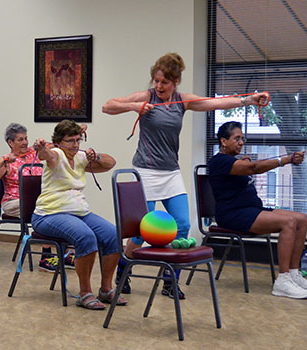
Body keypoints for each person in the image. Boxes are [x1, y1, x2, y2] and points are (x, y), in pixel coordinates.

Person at [102, 52, 269, 299]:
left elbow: (216, 103)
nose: (159, 87)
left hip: (170, 173)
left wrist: (249, 99)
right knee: (139, 231)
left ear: (175, 83)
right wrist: (133, 106)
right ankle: (123, 271)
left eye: (164, 83)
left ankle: (170, 281)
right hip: (145, 171)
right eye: (156, 81)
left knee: (182, 225)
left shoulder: (183, 102)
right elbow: (108, 106)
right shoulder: (146, 97)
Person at [208, 121, 307, 299]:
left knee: (301, 219)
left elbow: (246, 167)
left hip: (252, 209)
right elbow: (252, 168)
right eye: (236, 139)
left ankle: (293, 273)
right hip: (232, 214)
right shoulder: (218, 161)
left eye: (242, 139)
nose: (241, 142)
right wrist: (286, 159)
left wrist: (243, 161)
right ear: (223, 141)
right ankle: (282, 281)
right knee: (288, 222)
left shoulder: (234, 161)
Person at [31, 119, 127, 310]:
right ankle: (85, 294)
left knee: (113, 235)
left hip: (79, 213)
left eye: (77, 140)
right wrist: (41, 147)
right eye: (70, 141)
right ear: (59, 142)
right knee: (85, 236)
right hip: (49, 215)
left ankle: (106, 289)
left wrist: (95, 155)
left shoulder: (81, 157)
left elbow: (110, 163)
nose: (75, 145)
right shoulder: (57, 154)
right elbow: (46, 155)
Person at [0, 123, 60, 272]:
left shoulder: (34, 154)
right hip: (13, 203)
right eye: (20, 139)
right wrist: (3, 160)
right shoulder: (7, 163)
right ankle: (46, 257)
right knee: (45, 210)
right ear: (10, 143)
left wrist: (42, 144)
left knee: (56, 207)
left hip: (37, 203)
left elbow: (58, 145)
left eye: (26, 138)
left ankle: (63, 253)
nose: (25, 142)